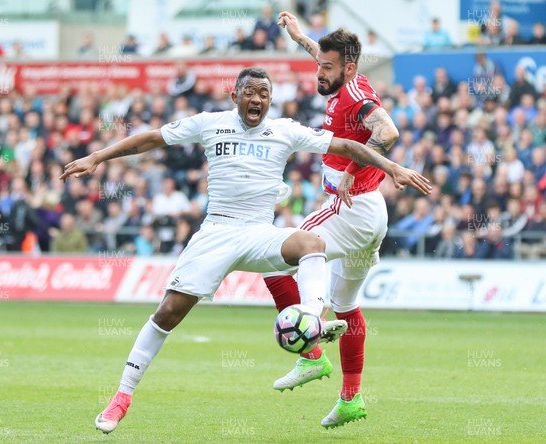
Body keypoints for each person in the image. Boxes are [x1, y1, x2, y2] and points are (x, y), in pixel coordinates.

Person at [59, 67, 431, 434]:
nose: (257, 99)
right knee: (168, 312)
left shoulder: (284, 130)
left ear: (270, 100)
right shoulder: (210, 123)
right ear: (234, 95)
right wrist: (98, 157)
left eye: (264, 94)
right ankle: (122, 397)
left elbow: (348, 146)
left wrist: (392, 167)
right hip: (216, 231)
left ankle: (311, 321)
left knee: (311, 243)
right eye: (250, 92)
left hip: (258, 232)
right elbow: (152, 139)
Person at [264, 12, 429, 429]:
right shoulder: (343, 79)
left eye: (327, 67)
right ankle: (351, 399)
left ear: (349, 68)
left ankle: (311, 352)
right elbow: (319, 55)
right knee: (348, 306)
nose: (319, 73)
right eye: (319, 63)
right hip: (370, 214)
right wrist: (299, 35)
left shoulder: (355, 94)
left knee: (272, 258)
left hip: (350, 207)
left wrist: (355, 171)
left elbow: (387, 130)